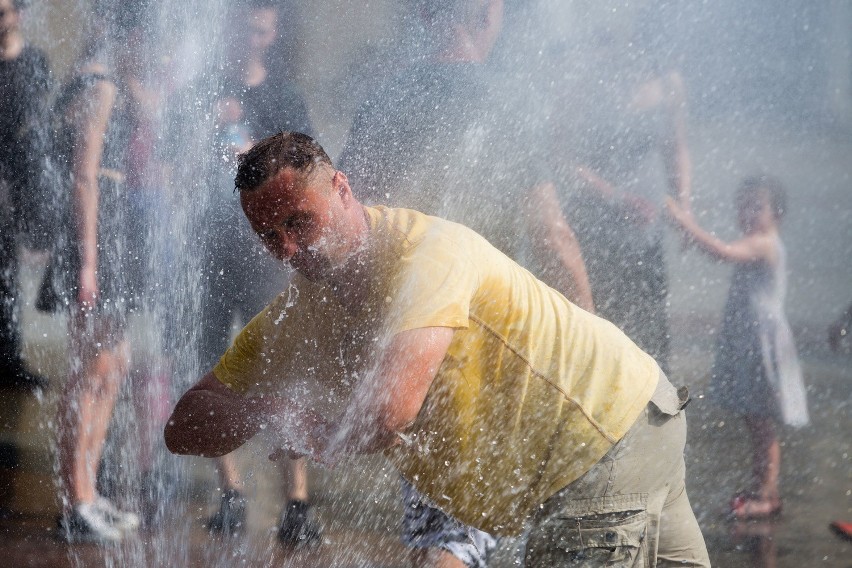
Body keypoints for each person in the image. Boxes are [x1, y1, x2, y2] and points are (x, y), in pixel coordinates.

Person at [165, 132, 711, 567]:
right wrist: (267, 409)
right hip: (633, 424)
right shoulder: (298, 315)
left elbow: (389, 412)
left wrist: (322, 432)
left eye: (298, 222)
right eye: (267, 235)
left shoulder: (425, 254)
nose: (286, 248)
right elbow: (182, 427)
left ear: (343, 189)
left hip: (599, 441)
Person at [338, 0, 593, 313]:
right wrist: (593, 334)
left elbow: (345, 217)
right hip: (484, 319)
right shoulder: (507, 103)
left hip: (396, 315)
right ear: (487, 15)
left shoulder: (382, 101)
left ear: (426, 16)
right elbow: (552, 235)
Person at [176, 0, 321, 544]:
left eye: (262, 26)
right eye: (245, 26)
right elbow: (172, 164)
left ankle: (297, 503)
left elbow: (310, 171)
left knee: (284, 371)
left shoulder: (284, 95)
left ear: (273, 29)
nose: (253, 36)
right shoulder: (204, 89)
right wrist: (201, 142)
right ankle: (231, 492)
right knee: (214, 367)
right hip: (210, 251)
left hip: (267, 255)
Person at [35, 2, 148, 543]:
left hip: (115, 240)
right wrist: (87, 262)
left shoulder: (112, 82)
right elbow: (83, 178)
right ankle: (75, 498)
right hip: (96, 243)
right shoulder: (97, 86)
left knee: (113, 366)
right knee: (89, 370)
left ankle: (91, 492)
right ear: (120, 32)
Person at [543, 8, 693, 373]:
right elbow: (559, 157)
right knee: (602, 319)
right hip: (595, 219)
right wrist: (615, 198)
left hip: (646, 225)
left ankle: (654, 411)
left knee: (649, 319)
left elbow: (676, 147)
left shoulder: (668, 83)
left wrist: (685, 205)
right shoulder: (586, 81)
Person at [667, 174, 809, 519]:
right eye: (742, 206)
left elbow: (723, 252)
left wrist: (687, 224)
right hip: (752, 342)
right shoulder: (761, 240)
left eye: (756, 206)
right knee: (754, 418)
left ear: (777, 213)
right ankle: (760, 484)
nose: (747, 213)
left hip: (764, 343)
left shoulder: (764, 243)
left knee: (762, 421)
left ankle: (767, 494)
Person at [0, 0, 51, 390]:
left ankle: (10, 360)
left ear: (18, 14)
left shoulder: (35, 60)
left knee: (9, 274)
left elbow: (38, 132)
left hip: (21, 182)